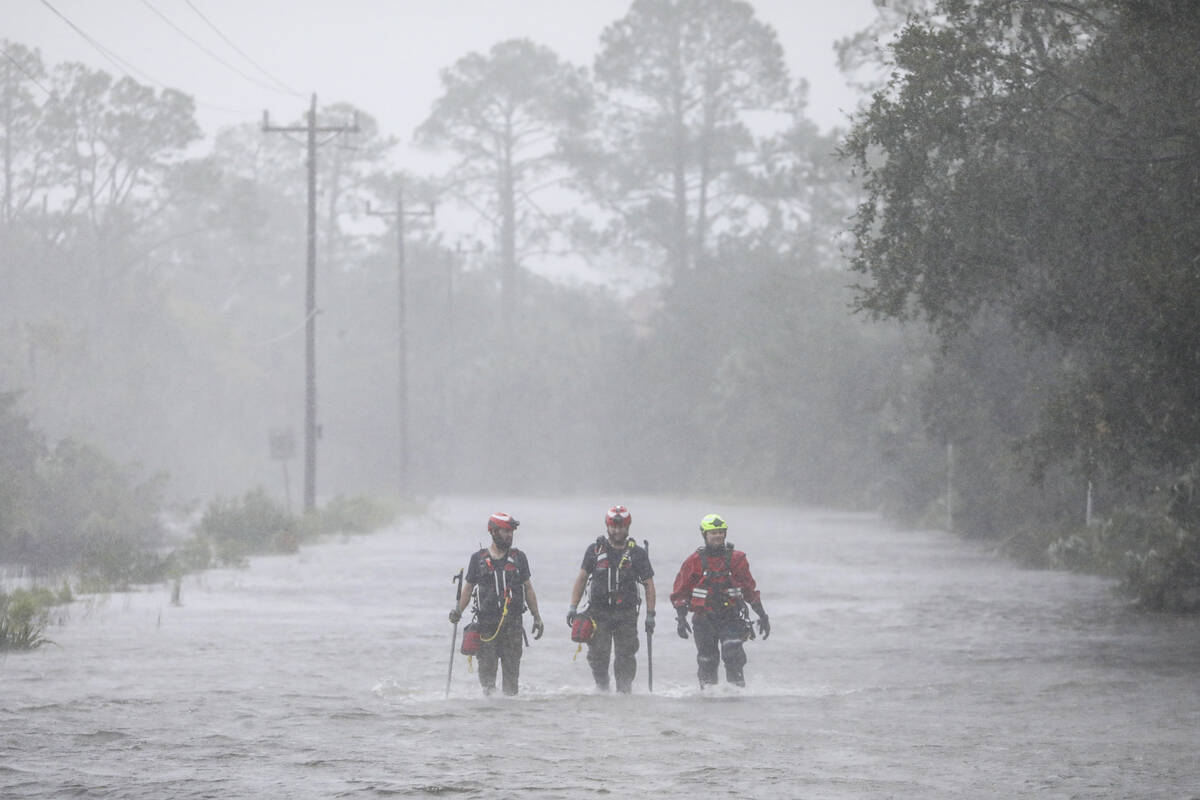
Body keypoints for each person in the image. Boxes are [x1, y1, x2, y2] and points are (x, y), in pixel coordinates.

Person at [449, 512, 544, 696]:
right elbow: (468, 588)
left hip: (513, 628)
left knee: (511, 685)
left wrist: (537, 617)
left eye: (511, 532)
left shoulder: (519, 558)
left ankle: (509, 718)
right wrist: (458, 611)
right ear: (492, 532)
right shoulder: (478, 559)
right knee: (487, 683)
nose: (509, 535)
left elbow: (528, 589)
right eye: (505, 531)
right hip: (486, 629)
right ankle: (490, 718)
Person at [670, 513, 770, 688]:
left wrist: (762, 615)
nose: (717, 536)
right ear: (704, 535)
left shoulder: (737, 559)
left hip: (731, 616)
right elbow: (680, 593)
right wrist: (681, 618)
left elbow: (749, 589)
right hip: (704, 619)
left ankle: (736, 696)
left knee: (733, 655)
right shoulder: (693, 562)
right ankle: (708, 699)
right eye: (713, 532)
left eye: (720, 532)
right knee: (707, 661)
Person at [566, 505, 656, 693]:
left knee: (626, 656)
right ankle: (602, 688)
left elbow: (649, 585)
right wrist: (573, 606)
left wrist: (650, 614)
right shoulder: (595, 550)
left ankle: (624, 693)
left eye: (621, 526)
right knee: (598, 654)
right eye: (613, 527)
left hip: (627, 614)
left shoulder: (638, 554)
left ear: (628, 527)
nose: (617, 530)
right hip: (598, 612)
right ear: (607, 526)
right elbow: (582, 578)